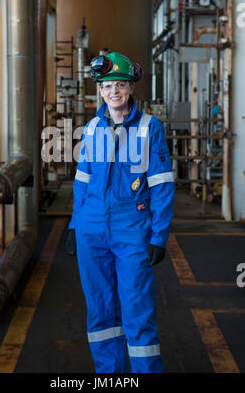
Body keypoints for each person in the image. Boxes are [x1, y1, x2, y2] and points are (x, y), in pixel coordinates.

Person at [66, 52, 175, 374]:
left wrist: (159, 236)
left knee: (137, 311)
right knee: (100, 311)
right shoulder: (90, 129)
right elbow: (81, 181)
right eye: (107, 85)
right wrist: (74, 225)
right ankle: (108, 374)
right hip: (91, 229)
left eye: (120, 85)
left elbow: (162, 185)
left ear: (131, 89)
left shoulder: (149, 128)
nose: (114, 92)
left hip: (132, 229)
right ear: (99, 90)